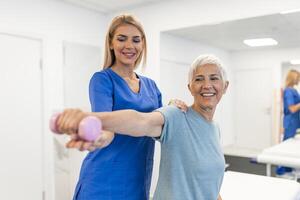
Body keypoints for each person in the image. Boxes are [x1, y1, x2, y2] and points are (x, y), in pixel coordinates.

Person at [56, 54, 229, 200]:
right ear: (190, 87)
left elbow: (209, 184)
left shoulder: (215, 128)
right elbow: (140, 120)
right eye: (199, 79)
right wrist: (86, 117)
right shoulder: (177, 116)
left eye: (214, 78)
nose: (207, 85)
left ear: (225, 86)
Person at [67, 14, 187, 200]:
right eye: (122, 39)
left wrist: (171, 109)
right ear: (111, 43)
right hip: (103, 180)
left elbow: (159, 128)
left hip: (138, 179)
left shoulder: (151, 86)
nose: (129, 46)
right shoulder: (103, 80)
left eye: (136, 40)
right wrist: (96, 138)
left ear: (143, 44)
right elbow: (106, 128)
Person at [276, 69, 300, 175]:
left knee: (292, 146)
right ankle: (283, 169)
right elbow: (292, 109)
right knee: (287, 146)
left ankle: (289, 168)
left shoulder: (293, 90)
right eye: (298, 77)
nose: (299, 80)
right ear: (293, 78)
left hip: (295, 122)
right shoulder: (288, 91)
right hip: (290, 122)